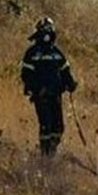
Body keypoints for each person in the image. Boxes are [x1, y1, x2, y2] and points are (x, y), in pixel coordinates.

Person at [20, 17, 78, 157]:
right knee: (46, 125)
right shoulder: (32, 53)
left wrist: (70, 83)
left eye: (49, 29)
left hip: (56, 94)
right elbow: (26, 74)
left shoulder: (56, 53)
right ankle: (45, 154)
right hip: (41, 95)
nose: (47, 33)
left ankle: (52, 149)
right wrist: (35, 89)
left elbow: (65, 70)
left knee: (58, 127)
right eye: (44, 30)